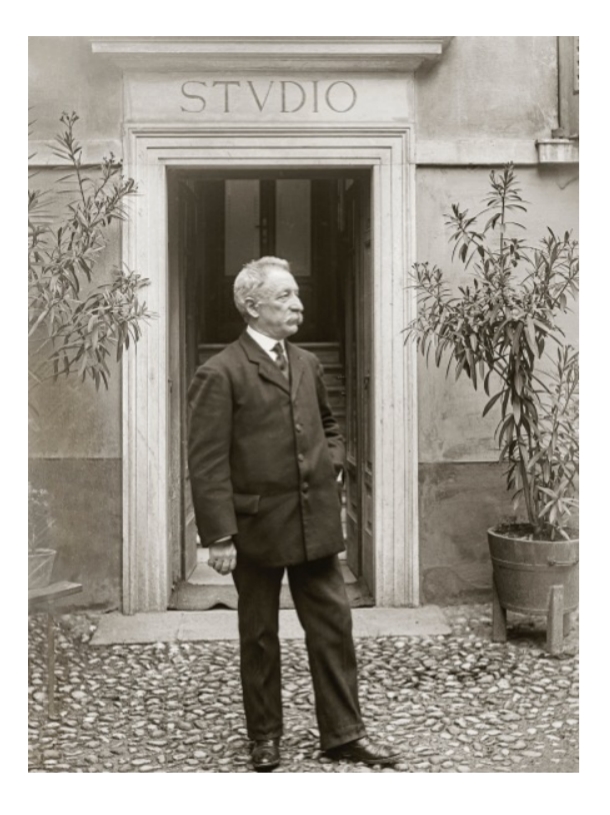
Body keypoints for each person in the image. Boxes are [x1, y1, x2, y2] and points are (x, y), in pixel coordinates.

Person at [187, 256, 400, 772]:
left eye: (296, 295)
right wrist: (219, 536)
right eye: (284, 296)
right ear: (251, 305)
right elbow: (207, 459)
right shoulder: (219, 372)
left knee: (333, 626)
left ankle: (344, 734)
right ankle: (264, 737)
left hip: (315, 522)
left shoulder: (306, 363)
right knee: (259, 635)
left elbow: (327, 424)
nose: (298, 304)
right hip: (257, 526)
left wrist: (333, 461)